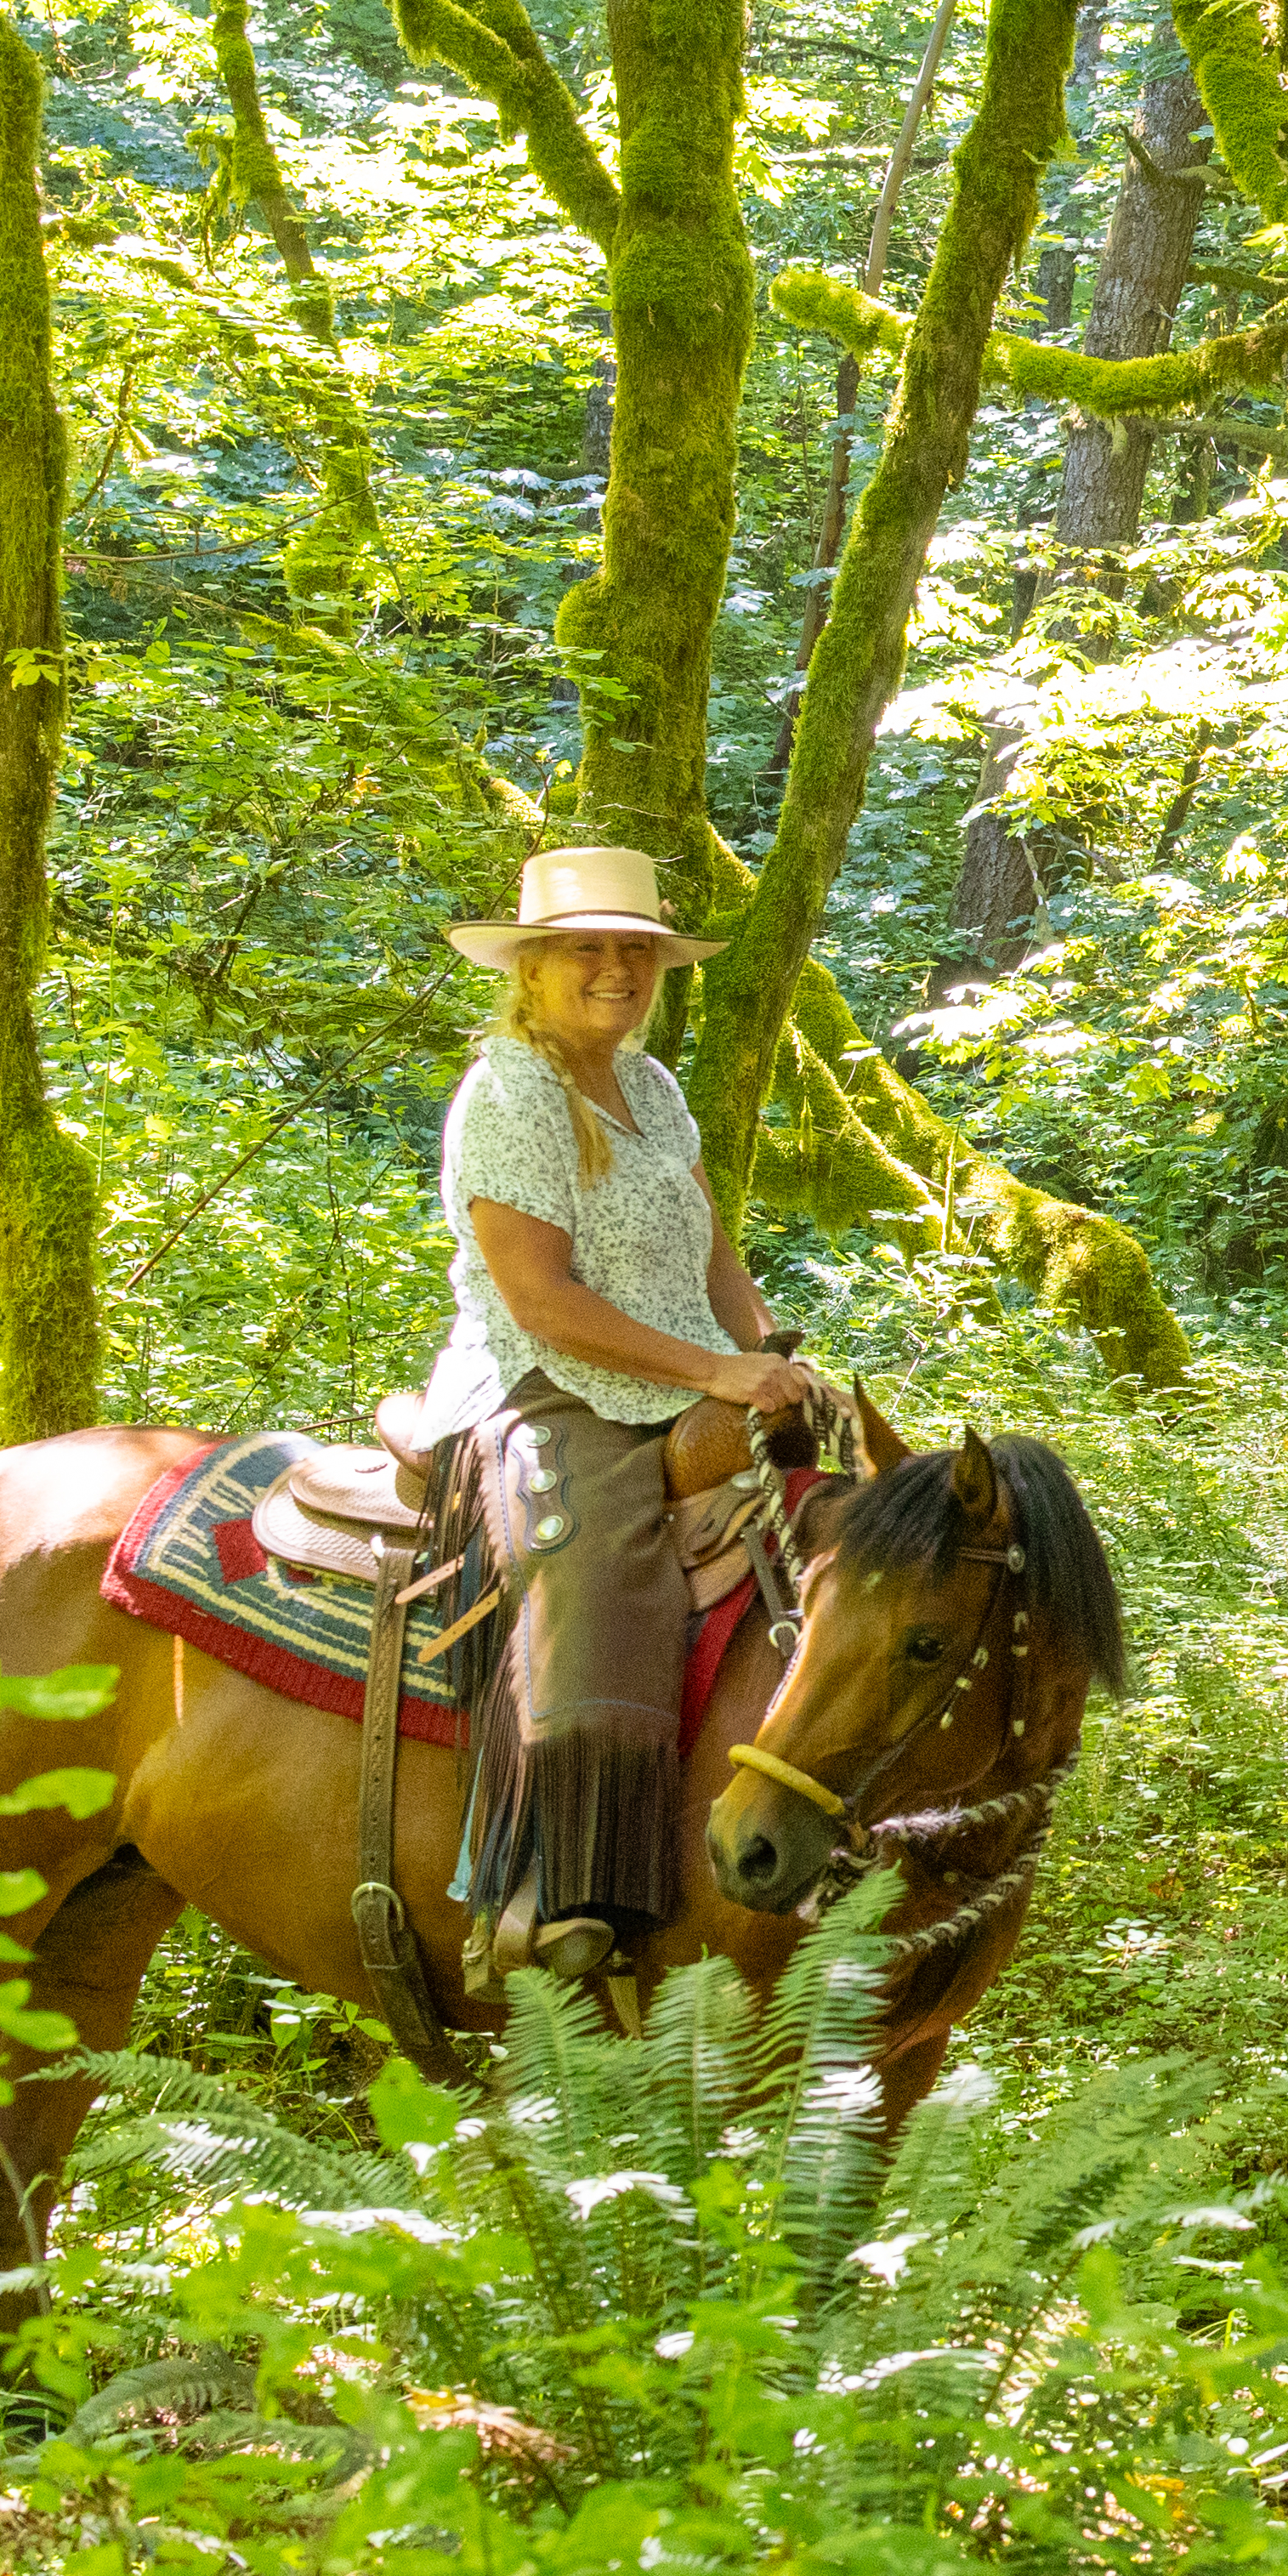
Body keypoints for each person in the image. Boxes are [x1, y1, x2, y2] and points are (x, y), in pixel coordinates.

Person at [423, 846, 836, 1992]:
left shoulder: (650, 1089)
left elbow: (711, 1251)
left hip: (691, 1373)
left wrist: (763, 1358)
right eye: (587, 950)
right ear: (533, 966)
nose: (615, 970)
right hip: (550, 1384)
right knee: (601, 1575)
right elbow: (542, 1301)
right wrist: (714, 1373)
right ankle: (564, 1889)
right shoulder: (510, 1094)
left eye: (634, 951)